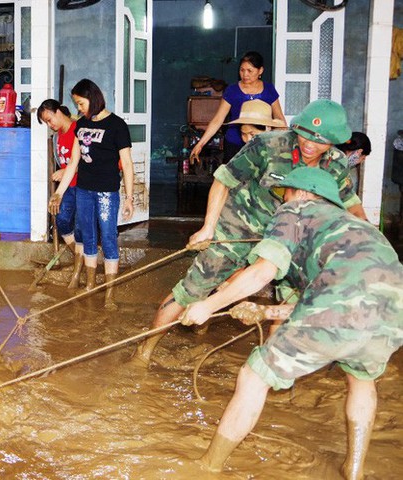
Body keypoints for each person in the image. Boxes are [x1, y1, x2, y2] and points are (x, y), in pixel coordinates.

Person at [182, 167, 403, 480]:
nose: (280, 200)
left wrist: (208, 305)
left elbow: (263, 272)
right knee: (361, 380)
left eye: (283, 193)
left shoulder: (296, 210)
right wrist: (265, 313)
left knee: (253, 376)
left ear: (302, 193)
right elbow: (340, 297)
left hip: (345, 302)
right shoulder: (357, 226)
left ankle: (207, 468)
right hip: (394, 311)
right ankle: (354, 471)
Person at [130, 99, 369, 367]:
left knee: (286, 302)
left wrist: (364, 241)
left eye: (321, 140)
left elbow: (351, 205)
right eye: (305, 134)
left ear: (335, 141)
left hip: (291, 238)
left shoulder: (336, 163)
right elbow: (223, 181)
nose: (310, 144)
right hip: (240, 225)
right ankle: (143, 352)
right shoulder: (267, 146)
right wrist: (208, 227)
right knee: (191, 290)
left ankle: (270, 371)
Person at [48, 79, 135, 309]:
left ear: (93, 97)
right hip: (84, 191)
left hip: (107, 192)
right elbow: (74, 162)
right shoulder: (81, 124)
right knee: (87, 236)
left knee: (107, 238)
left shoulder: (117, 125)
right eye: (77, 105)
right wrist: (59, 193)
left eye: (81, 103)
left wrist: (128, 198)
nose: (79, 109)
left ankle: (110, 293)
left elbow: (126, 163)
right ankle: (89, 284)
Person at [190, 51, 286, 164]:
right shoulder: (232, 90)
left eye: (250, 71)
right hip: (234, 143)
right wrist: (200, 144)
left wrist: (282, 145)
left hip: (261, 144)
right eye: (242, 70)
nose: (245, 74)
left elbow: (280, 120)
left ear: (260, 71)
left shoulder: (269, 90)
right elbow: (218, 120)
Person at [37, 99, 84, 288]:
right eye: (46, 122)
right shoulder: (57, 136)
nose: (50, 124)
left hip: (82, 186)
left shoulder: (78, 129)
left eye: (50, 119)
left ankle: (79, 268)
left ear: (58, 111)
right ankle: (81, 256)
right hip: (67, 188)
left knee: (81, 227)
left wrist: (65, 171)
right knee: (62, 220)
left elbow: (86, 159)